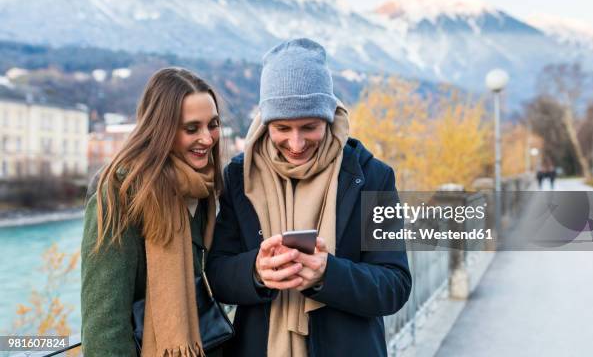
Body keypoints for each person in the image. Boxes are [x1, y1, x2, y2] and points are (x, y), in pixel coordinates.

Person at [207, 38, 412, 356]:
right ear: (265, 123)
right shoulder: (240, 177)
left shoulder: (372, 177)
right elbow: (216, 274)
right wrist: (256, 272)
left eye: (309, 127)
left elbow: (394, 286)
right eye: (282, 128)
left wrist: (328, 274)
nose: (296, 142)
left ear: (329, 117)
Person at [81, 68, 223, 356]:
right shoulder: (120, 193)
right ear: (161, 129)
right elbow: (104, 326)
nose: (208, 139)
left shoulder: (203, 186)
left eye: (213, 124)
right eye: (192, 128)